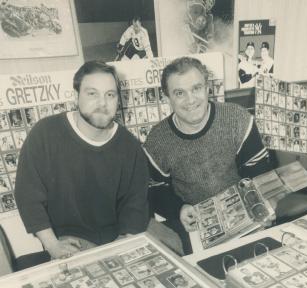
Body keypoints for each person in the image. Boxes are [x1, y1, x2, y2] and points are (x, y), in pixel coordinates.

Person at [15, 60, 149, 260]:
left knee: (171, 250)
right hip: (71, 239)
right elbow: (28, 196)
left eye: (110, 95)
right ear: (76, 96)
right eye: (92, 94)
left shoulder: (129, 145)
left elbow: (136, 203)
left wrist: (125, 241)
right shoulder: (45, 133)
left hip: (118, 235)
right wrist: (52, 244)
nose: (103, 103)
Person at [144, 57, 269, 253]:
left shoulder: (238, 119)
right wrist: (179, 209)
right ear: (167, 98)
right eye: (179, 93)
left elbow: (259, 174)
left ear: (207, 88)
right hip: (193, 227)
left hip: (246, 219)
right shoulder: (156, 141)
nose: (191, 100)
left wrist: (258, 210)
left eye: (196, 88)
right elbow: (156, 192)